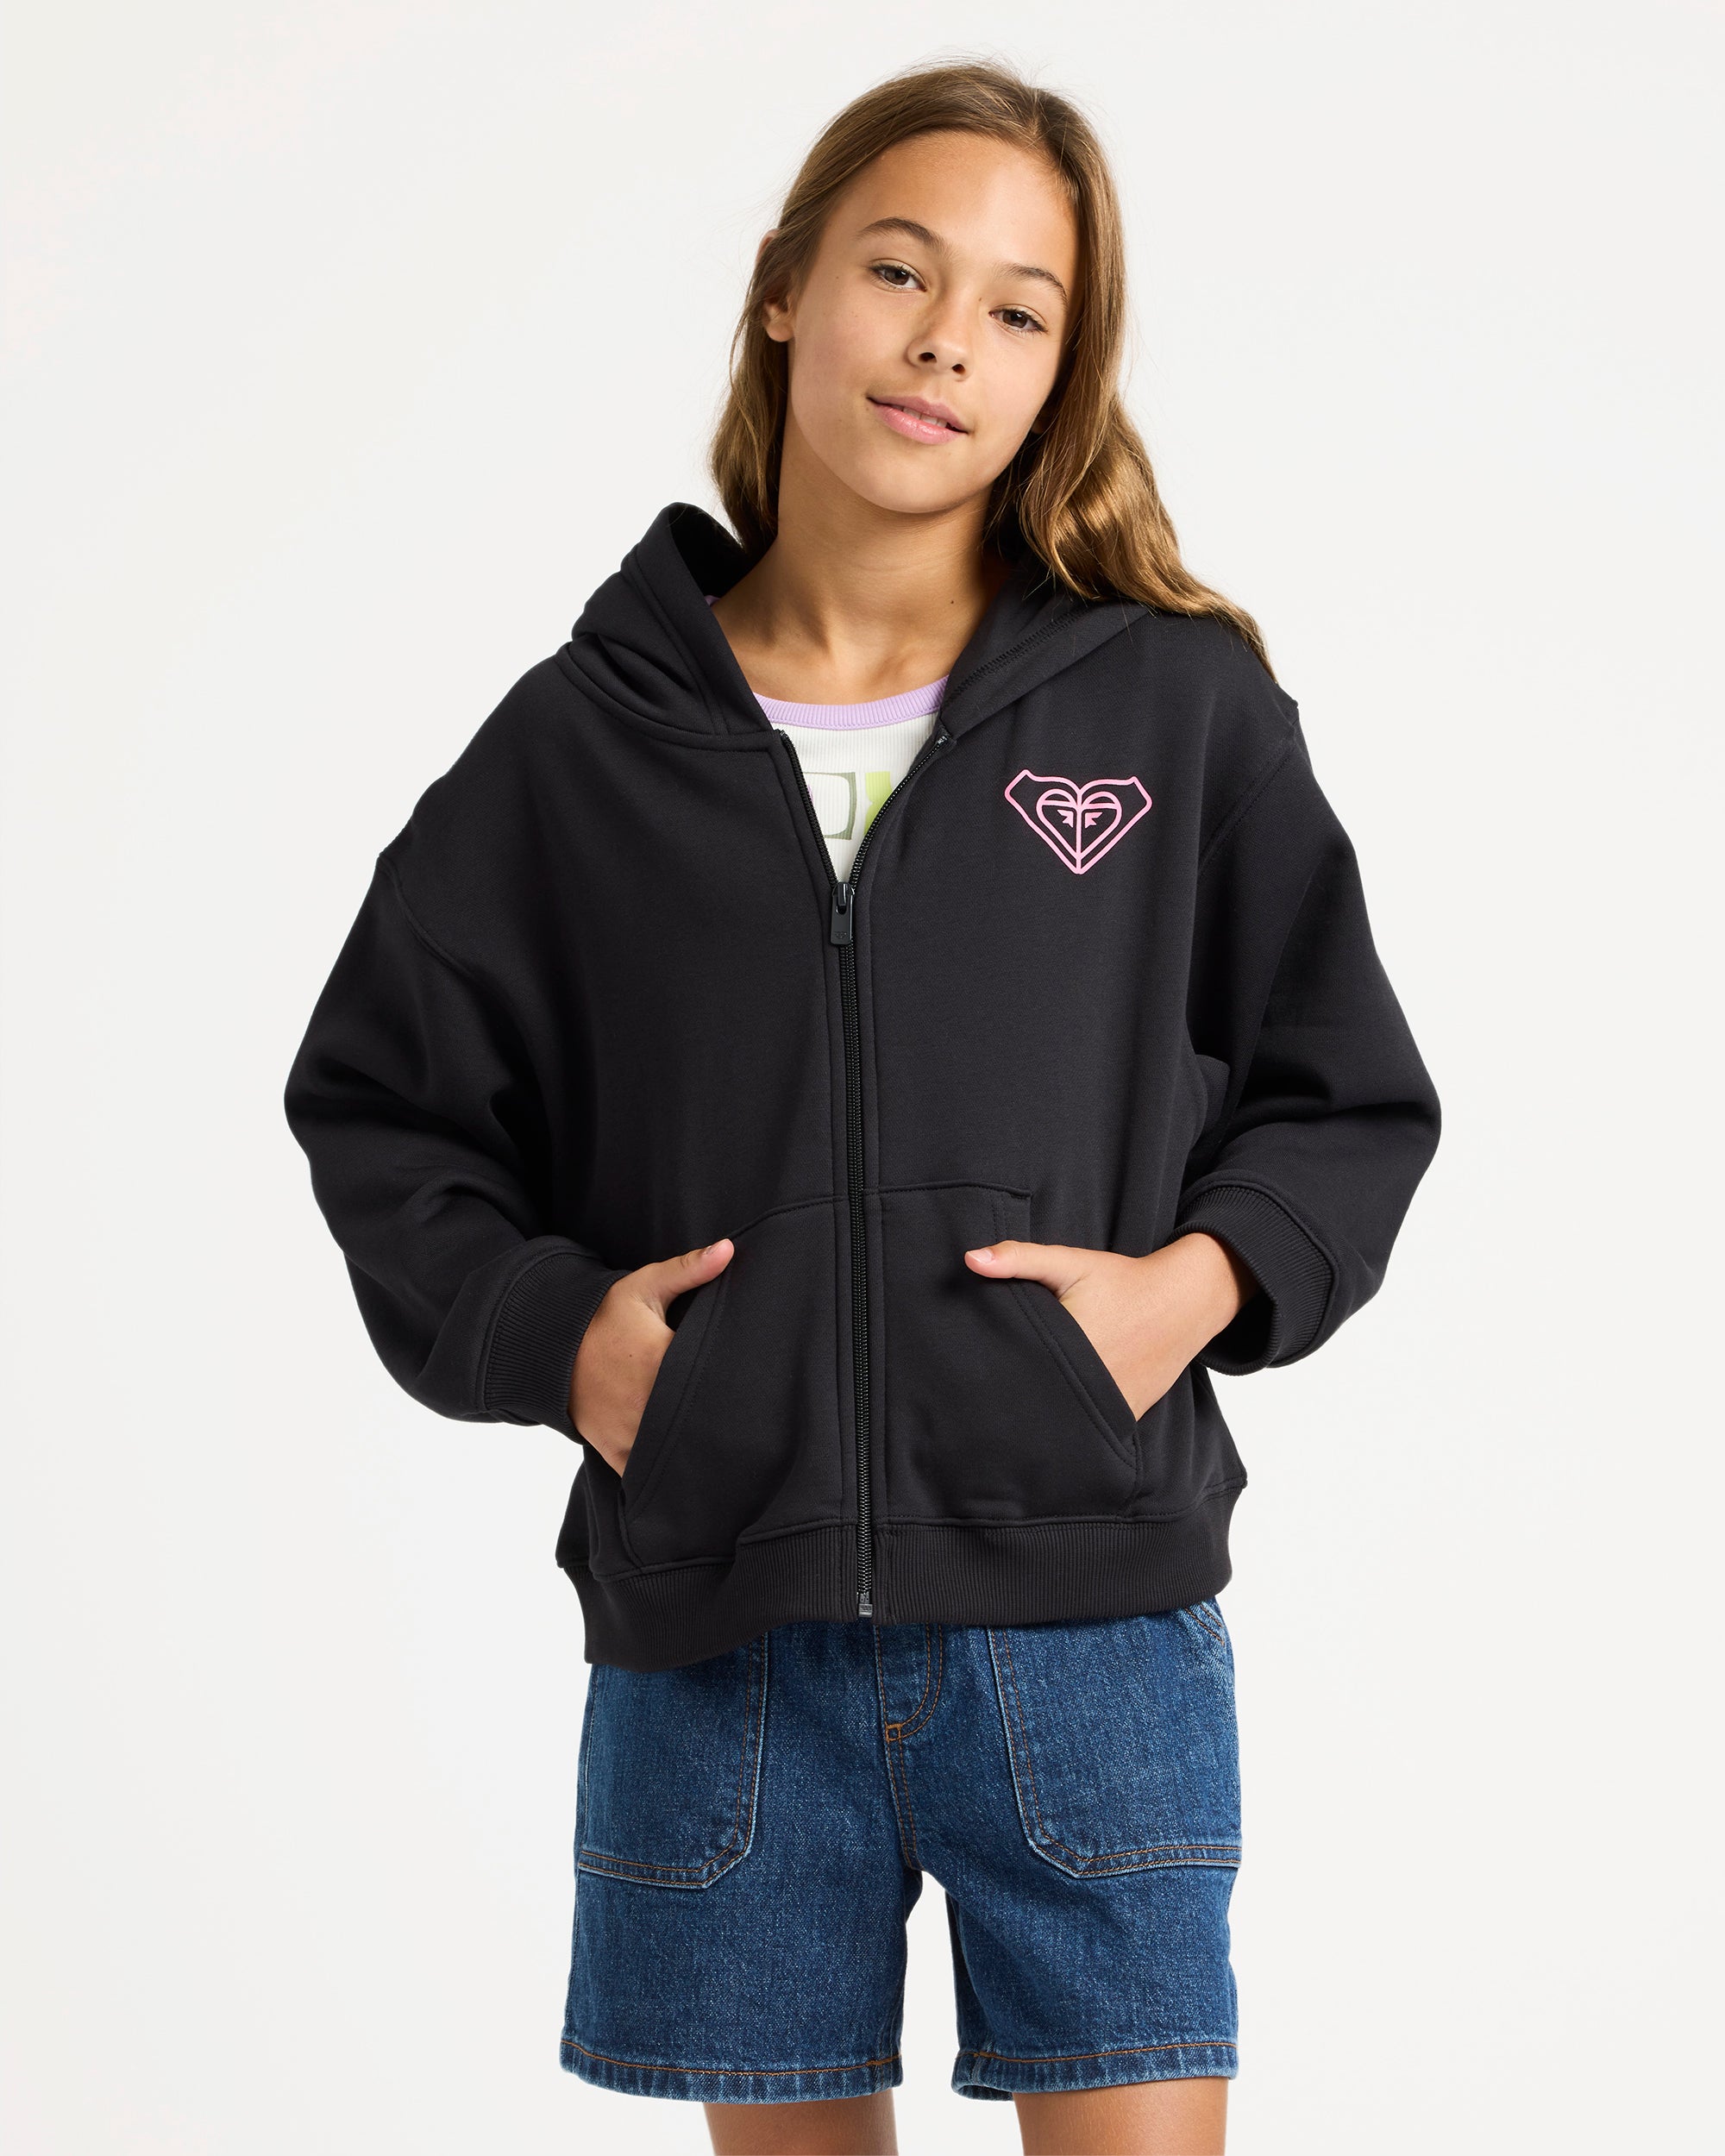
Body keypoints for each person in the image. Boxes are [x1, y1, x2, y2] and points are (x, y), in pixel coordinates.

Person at [285, 59, 1440, 2156]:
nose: (944, 341)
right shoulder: (585, 741)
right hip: (718, 1635)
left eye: (1016, 307)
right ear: (784, 292)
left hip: (1086, 1626)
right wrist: (565, 1339)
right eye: (900, 271)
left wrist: (1182, 1294)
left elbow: (1342, 1087)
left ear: (1062, 370)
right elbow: (379, 1097)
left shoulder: (1168, 702)